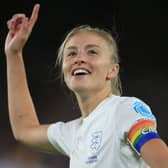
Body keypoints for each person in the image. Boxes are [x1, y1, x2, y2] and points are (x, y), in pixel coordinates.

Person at [4, 3, 168, 168]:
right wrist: (14, 54)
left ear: (112, 70)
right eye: (71, 53)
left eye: (92, 51)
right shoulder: (73, 133)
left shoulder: (124, 110)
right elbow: (24, 130)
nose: (79, 58)